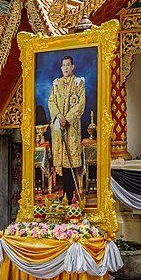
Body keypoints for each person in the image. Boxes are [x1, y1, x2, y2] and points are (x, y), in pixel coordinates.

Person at [48, 54, 86, 201]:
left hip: (71, 128)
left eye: (68, 65)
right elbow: (51, 101)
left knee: (70, 160)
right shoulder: (56, 83)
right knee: (61, 161)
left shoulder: (78, 83)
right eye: (63, 65)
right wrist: (58, 116)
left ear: (73, 67)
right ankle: (63, 194)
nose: (65, 68)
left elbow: (80, 104)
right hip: (59, 126)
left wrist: (67, 118)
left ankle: (70, 195)